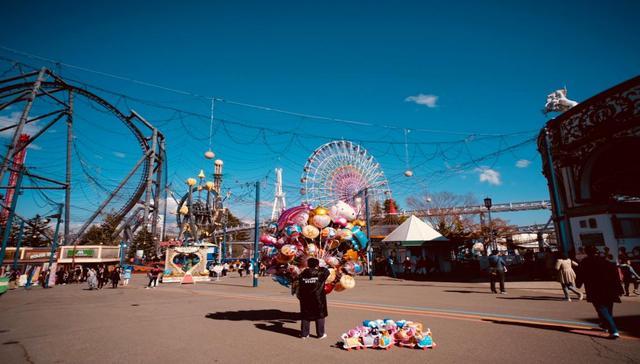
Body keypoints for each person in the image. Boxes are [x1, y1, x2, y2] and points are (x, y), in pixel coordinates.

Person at [579, 245, 624, 339]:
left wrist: (578, 284)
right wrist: (620, 288)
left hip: (595, 289)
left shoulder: (585, 262)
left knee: (601, 308)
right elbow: (615, 275)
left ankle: (613, 330)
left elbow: (580, 275)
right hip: (610, 288)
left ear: (586, 252)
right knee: (608, 308)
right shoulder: (606, 261)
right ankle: (605, 325)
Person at [296, 258, 329, 339]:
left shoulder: (302, 273)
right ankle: (320, 334)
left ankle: (304, 334)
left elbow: (298, 281)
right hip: (318, 298)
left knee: (306, 315)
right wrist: (320, 267)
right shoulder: (321, 273)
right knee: (320, 315)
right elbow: (327, 271)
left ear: (308, 264)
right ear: (317, 265)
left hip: (305, 298)